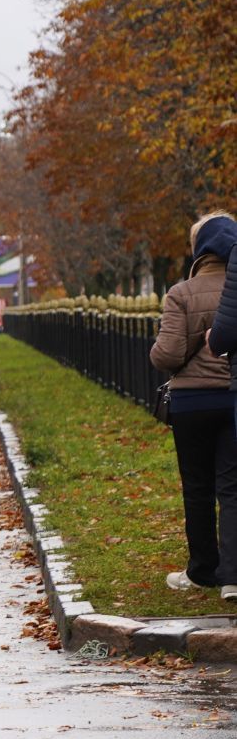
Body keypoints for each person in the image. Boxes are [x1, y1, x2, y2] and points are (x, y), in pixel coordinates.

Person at [154, 213, 237, 599]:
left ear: (198, 249)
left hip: (191, 403)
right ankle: (232, 577)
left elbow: (167, 355)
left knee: (197, 488)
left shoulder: (181, 293)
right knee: (232, 488)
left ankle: (202, 570)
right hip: (231, 395)